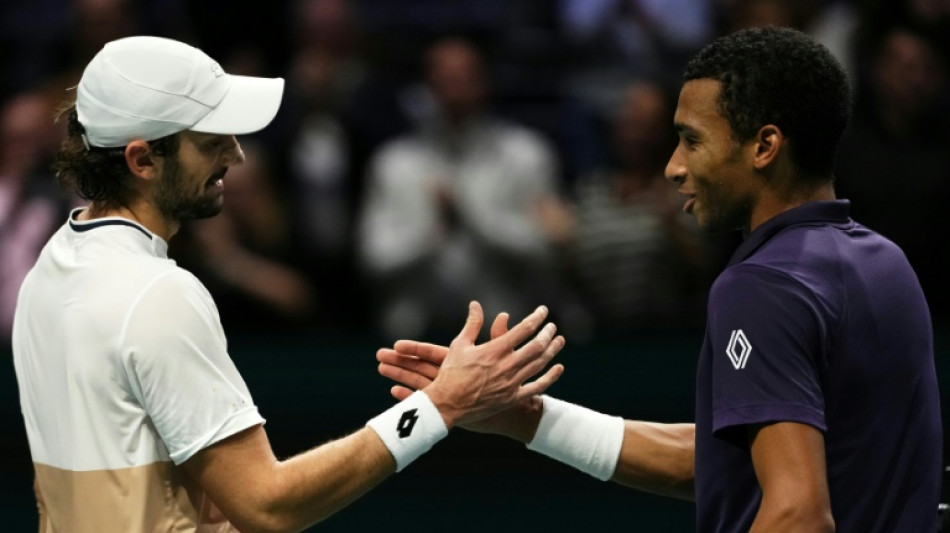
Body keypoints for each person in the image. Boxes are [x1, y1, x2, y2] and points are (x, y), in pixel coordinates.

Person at [378, 26, 942, 532]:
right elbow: (728, 464)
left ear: (765, 147)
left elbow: (797, 514)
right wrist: (529, 420)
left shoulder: (761, 287)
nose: (673, 165)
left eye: (692, 140)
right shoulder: (885, 263)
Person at [11, 35, 566, 532]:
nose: (237, 153)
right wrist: (440, 405)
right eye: (211, 141)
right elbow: (267, 507)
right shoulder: (156, 293)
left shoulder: (51, 268)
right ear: (142, 160)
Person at [356, 37, 568, 339]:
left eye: (464, 79)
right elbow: (374, 259)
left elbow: (545, 250)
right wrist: (433, 234)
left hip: (501, 339)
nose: (454, 91)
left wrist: (470, 216)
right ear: (427, 86)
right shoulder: (393, 162)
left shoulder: (527, 154)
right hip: (414, 338)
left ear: (485, 82)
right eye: (445, 80)